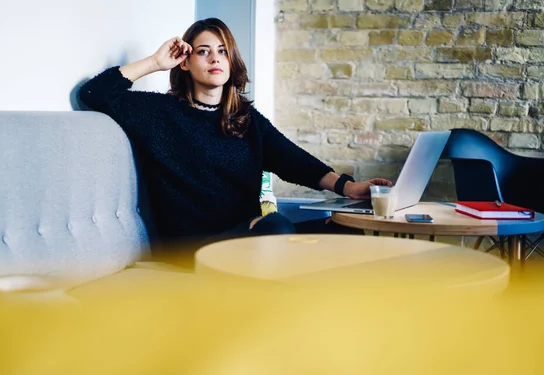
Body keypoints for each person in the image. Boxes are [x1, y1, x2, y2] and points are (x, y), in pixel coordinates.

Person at [79, 17, 391, 260]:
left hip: (250, 236)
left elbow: (294, 161)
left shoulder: (244, 119)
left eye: (222, 51)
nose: (214, 59)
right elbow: (93, 94)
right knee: (277, 227)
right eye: (203, 51)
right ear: (185, 62)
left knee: (343, 228)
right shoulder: (159, 113)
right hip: (191, 247)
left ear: (231, 61)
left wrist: (348, 187)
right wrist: (155, 63)